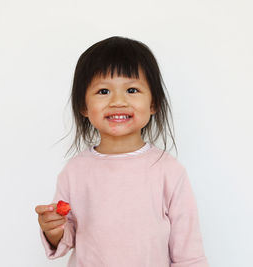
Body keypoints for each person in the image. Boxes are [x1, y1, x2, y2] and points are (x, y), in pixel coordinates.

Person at [34, 36, 209, 267]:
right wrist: (53, 229)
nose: (118, 101)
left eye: (132, 90)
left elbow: (189, 255)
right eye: (103, 91)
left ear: (153, 103)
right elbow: (66, 238)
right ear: (84, 106)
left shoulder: (168, 171)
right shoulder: (75, 171)